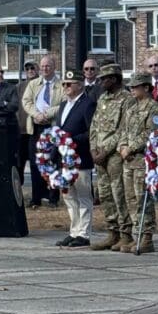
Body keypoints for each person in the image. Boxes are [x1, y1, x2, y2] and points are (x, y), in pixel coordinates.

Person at [89, 64, 134, 251]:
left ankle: (126, 233)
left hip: (114, 154)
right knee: (105, 194)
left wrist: (105, 150)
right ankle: (112, 232)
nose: (101, 82)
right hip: (99, 154)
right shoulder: (102, 99)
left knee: (119, 194)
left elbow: (124, 129)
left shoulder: (127, 99)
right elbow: (94, 126)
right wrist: (93, 149)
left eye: (104, 79)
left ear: (114, 79)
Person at [53, 69, 96, 248]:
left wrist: (72, 139)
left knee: (83, 195)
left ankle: (84, 233)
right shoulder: (64, 105)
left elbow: (91, 131)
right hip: (65, 158)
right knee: (69, 196)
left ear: (79, 85)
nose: (66, 87)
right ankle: (74, 231)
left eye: (69, 84)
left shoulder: (87, 104)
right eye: (64, 84)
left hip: (80, 156)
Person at [118, 72, 158, 254]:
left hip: (142, 160)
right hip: (128, 161)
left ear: (145, 87)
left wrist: (132, 147)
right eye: (131, 87)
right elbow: (123, 130)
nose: (132, 90)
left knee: (143, 199)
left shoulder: (154, 108)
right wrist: (122, 146)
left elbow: (150, 132)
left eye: (135, 87)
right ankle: (137, 234)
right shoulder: (131, 108)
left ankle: (147, 236)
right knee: (130, 199)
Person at [21, 56, 63, 208]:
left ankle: (53, 198)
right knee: (35, 163)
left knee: (51, 162)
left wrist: (47, 114)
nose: (45, 68)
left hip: (51, 127)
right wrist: (36, 114)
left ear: (54, 67)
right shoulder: (33, 84)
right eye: (43, 66)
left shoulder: (61, 85)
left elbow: (64, 104)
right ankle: (36, 198)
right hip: (35, 127)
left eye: (48, 66)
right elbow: (26, 102)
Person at [16, 60, 38, 182]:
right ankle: (19, 192)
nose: (30, 71)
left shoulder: (41, 84)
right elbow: (15, 106)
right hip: (22, 131)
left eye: (32, 68)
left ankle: (39, 194)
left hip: (36, 130)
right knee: (20, 162)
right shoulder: (20, 86)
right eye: (27, 69)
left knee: (36, 162)